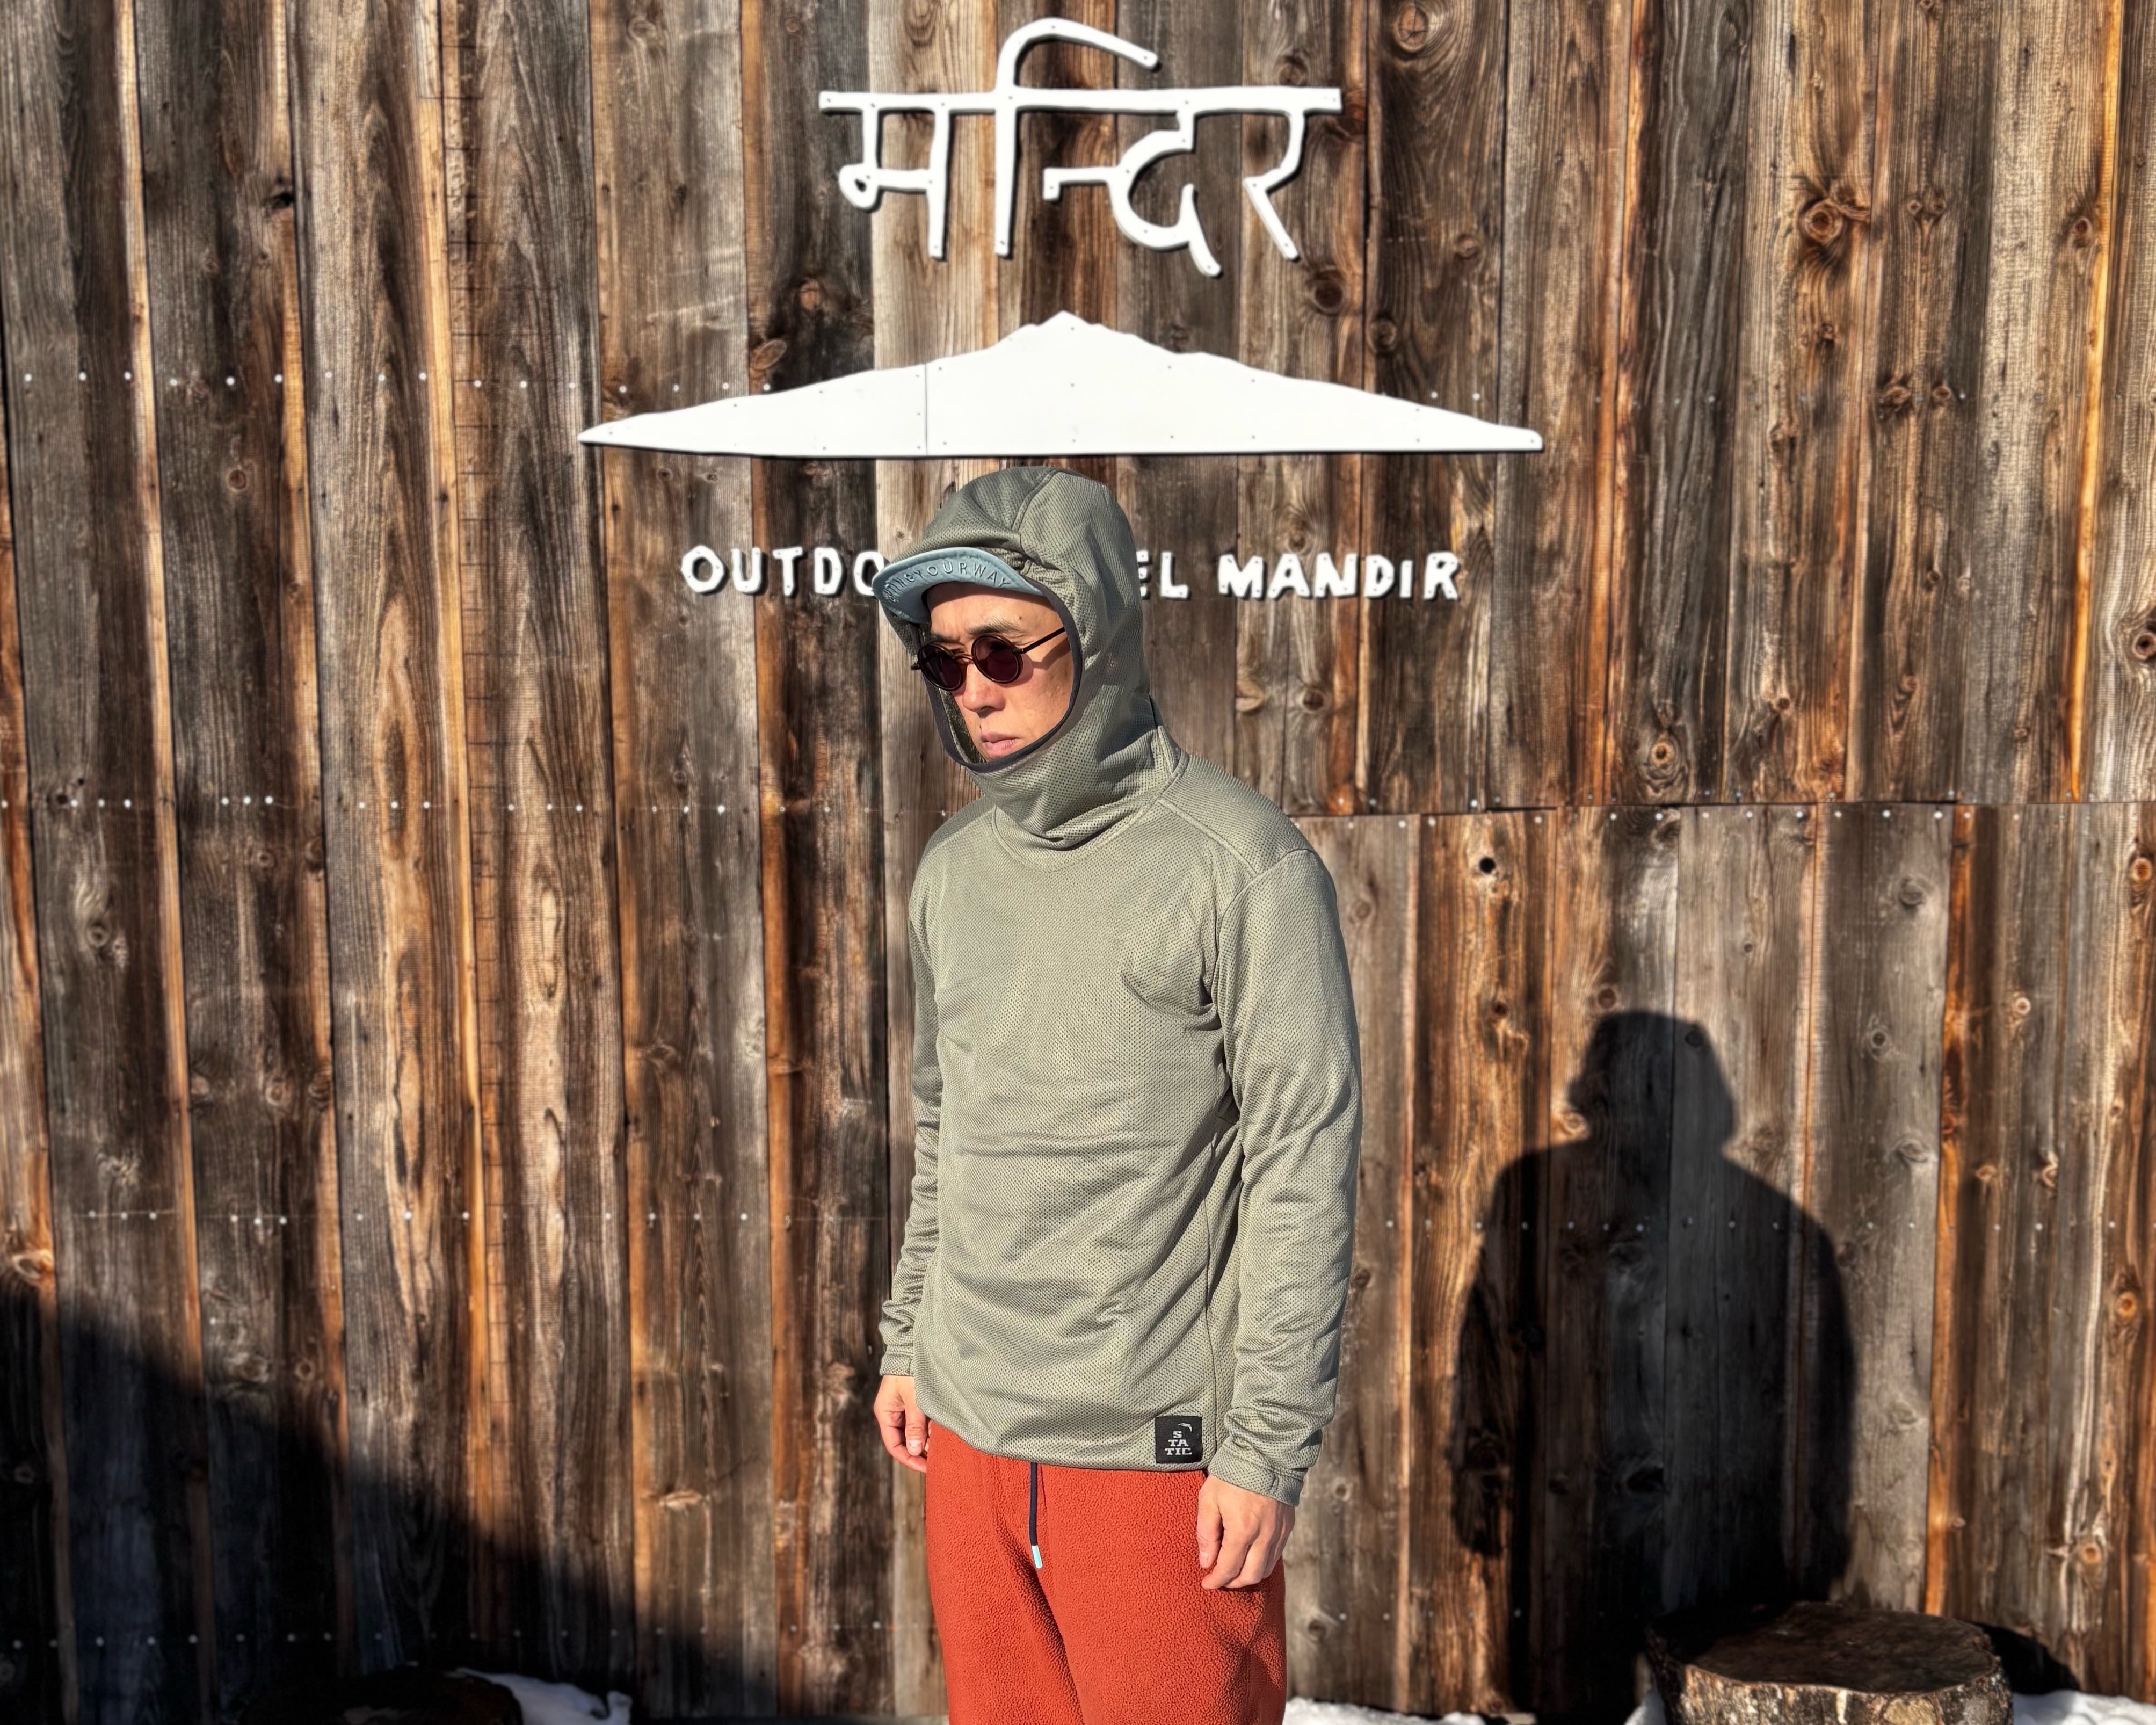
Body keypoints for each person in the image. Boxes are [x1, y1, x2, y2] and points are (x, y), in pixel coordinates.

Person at [866, 466, 1363, 1725]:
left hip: (1153, 1453)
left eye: (1001, 650)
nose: (974, 689)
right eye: (944, 661)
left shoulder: (1241, 868)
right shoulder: (953, 872)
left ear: (1091, 635)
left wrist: (1264, 1447)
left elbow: (1302, 1166)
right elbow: (952, 1127)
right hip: (971, 1434)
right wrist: (911, 1339)